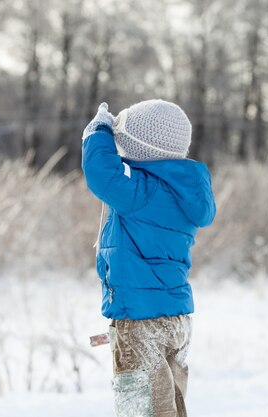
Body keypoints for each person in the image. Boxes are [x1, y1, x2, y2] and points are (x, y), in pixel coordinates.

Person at [81, 99, 216, 417]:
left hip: (141, 324)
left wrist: (98, 129)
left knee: (140, 408)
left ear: (139, 149)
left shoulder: (141, 193)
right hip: (177, 321)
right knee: (170, 406)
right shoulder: (185, 193)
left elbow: (101, 171)